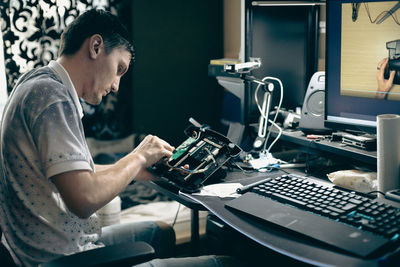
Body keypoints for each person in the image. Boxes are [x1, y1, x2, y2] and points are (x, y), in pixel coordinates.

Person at [0, 9, 241, 267]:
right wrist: (137, 157)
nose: (116, 85)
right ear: (95, 46)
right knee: (226, 264)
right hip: (62, 259)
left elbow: (77, 175)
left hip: (47, 248)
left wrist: (136, 170)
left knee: (162, 231)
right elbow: (84, 200)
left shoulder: (35, 83)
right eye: (119, 69)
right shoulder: (52, 97)